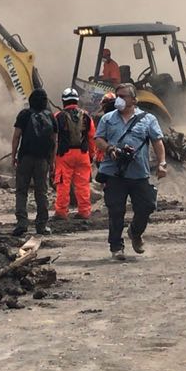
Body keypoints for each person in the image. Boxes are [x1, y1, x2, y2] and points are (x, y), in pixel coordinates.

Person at [94, 83, 166, 260]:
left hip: (139, 173)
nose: (118, 99)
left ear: (134, 99)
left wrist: (162, 163)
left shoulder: (148, 119)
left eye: (123, 96)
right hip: (114, 172)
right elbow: (98, 139)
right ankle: (116, 246)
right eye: (117, 95)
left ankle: (135, 232)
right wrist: (110, 149)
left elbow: (157, 142)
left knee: (147, 206)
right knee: (116, 210)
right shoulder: (108, 118)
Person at [11, 88, 56, 236]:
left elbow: (16, 136)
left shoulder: (24, 114)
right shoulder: (50, 116)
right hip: (43, 160)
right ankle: (42, 225)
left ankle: (22, 223)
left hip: (25, 158)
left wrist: (13, 155)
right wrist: (52, 161)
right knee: (41, 192)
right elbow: (55, 141)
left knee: (21, 191)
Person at [54, 87, 96, 220]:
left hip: (64, 155)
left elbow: (53, 138)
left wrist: (52, 157)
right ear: (77, 100)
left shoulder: (58, 116)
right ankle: (84, 211)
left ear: (63, 101)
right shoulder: (87, 116)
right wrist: (91, 155)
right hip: (83, 154)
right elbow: (91, 137)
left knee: (63, 184)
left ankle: (61, 212)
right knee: (83, 185)